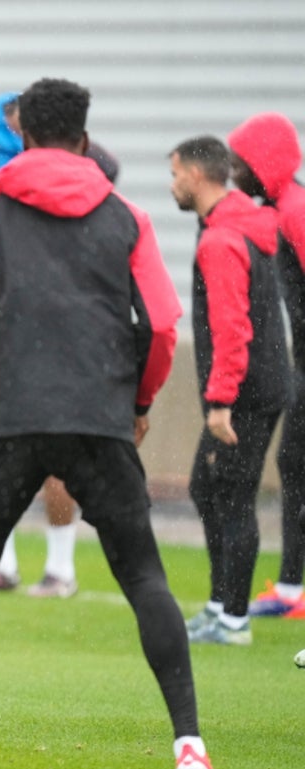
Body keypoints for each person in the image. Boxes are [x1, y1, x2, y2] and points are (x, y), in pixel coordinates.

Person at [0, 78, 223, 769]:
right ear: (84, 138)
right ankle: (191, 749)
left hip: (9, 421)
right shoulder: (128, 218)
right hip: (98, 422)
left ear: (21, 134)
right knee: (144, 577)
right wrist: (137, 400)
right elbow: (163, 326)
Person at [0, 90, 122, 600]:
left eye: (16, 120)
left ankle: (60, 567)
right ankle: (3, 565)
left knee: (58, 464)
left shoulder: (83, 175)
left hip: (60, 339)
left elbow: (107, 166)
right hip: (14, 340)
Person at [171, 135, 290, 646]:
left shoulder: (221, 240)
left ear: (197, 176)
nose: (172, 183)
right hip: (255, 385)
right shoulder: (236, 225)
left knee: (234, 496)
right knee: (206, 485)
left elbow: (232, 328)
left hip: (244, 391)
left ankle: (234, 622)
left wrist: (220, 401)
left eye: (175, 173)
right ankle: (222, 604)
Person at [227, 113, 305, 620]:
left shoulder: (295, 211)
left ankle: (294, 589)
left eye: (240, 162)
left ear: (265, 162)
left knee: (295, 466)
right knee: (294, 466)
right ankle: (293, 588)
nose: (234, 172)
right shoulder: (279, 207)